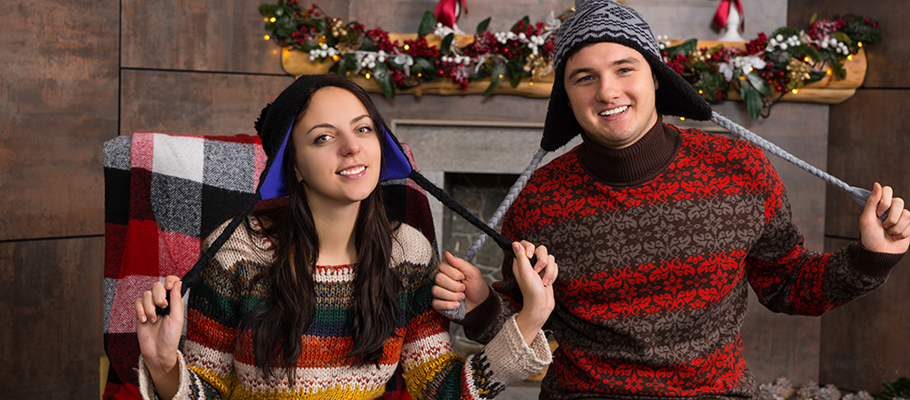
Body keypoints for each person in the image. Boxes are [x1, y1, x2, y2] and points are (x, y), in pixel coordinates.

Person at [432, 0, 910, 398]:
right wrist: (479, 304)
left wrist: (870, 258)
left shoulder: (739, 168)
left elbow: (787, 284)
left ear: (656, 77)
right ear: (567, 96)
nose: (608, 91)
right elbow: (523, 328)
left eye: (625, 68)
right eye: (584, 78)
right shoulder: (538, 199)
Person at [133, 74, 558, 400]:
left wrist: (529, 318)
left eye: (363, 129)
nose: (352, 148)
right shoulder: (237, 251)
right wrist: (163, 364)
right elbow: (207, 390)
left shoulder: (408, 252)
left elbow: (441, 390)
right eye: (323, 137)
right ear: (294, 165)